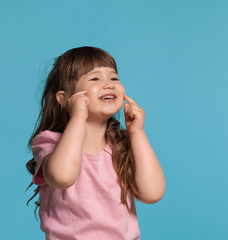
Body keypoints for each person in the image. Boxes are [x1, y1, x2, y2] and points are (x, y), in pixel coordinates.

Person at [26, 46, 165, 240]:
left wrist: (137, 132)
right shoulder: (49, 142)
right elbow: (62, 177)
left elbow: (152, 193)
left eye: (114, 78)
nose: (108, 84)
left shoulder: (123, 143)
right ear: (64, 99)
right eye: (95, 79)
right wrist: (77, 118)